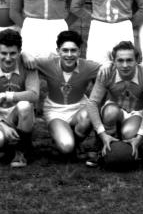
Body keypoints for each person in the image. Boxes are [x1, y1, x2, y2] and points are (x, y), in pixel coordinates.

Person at [25, 30, 101, 159]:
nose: (69, 55)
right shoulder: (48, 63)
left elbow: (110, 69)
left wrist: (110, 64)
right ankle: (65, 142)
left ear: (80, 51)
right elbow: (25, 60)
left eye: (73, 50)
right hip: (55, 111)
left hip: (79, 107)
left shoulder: (89, 66)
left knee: (91, 110)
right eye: (65, 50)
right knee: (66, 147)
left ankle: (77, 143)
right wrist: (25, 54)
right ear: (58, 50)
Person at [0, 29, 40, 167]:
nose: (8, 58)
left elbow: (34, 95)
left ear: (19, 52)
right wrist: (2, 126)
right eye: (3, 53)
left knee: (25, 105)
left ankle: (21, 151)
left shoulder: (28, 67)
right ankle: (1, 145)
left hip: (20, 113)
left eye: (13, 53)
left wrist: (4, 95)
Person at [86, 41, 143, 161]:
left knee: (129, 134)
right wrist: (102, 134)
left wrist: (140, 136)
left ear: (137, 60)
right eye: (120, 60)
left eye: (129, 60)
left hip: (136, 112)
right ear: (113, 61)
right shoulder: (106, 73)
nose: (125, 65)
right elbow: (92, 103)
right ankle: (102, 146)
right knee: (110, 113)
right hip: (115, 108)